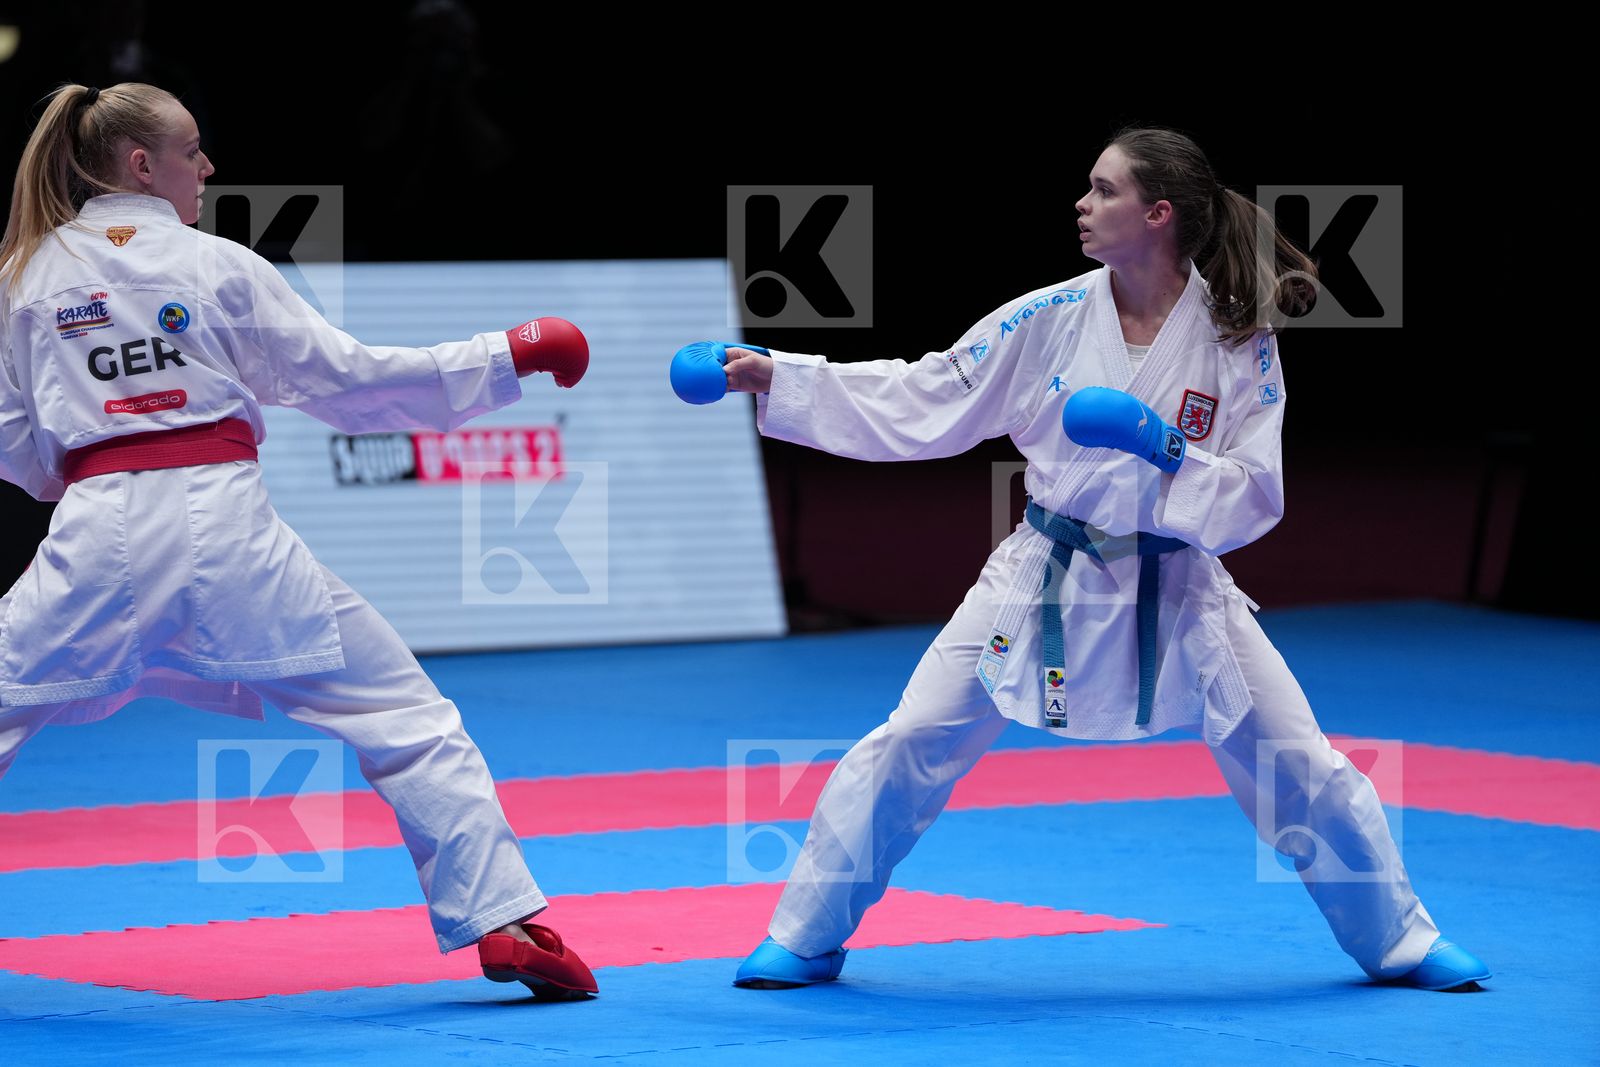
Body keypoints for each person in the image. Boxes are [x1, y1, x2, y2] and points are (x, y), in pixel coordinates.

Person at [674, 127, 1489, 993]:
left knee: (1298, 759)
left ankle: (1400, 940)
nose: (1083, 203)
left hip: (1181, 585)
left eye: (1104, 190)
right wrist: (780, 375)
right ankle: (805, 934)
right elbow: (932, 391)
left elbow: (1257, 492)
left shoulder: (1239, 336)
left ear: (1159, 214)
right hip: (1046, 572)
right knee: (910, 738)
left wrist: (1165, 447)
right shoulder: (1048, 317)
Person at [0, 83, 597, 999]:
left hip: (94, 530)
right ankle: (505, 922)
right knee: (406, 719)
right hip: (231, 531)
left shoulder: (25, 274)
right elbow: (352, 384)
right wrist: (505, 352)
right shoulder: (216, 265)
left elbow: (13, 436)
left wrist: (95, 480)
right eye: (192, 149)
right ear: (139, 165)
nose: (207, 167)